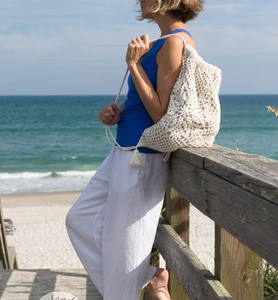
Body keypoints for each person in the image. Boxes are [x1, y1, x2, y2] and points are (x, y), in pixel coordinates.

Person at [66, 0, 204, 299]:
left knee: (126, 254)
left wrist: (132, 64)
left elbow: (161, 113)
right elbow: (142, 101)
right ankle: (148, 276)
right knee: (79, 219)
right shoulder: (156, 44)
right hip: (123, 150)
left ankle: (133, 284)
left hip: (143, 158)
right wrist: (116, 114)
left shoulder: (175, 43)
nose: (139, 1)